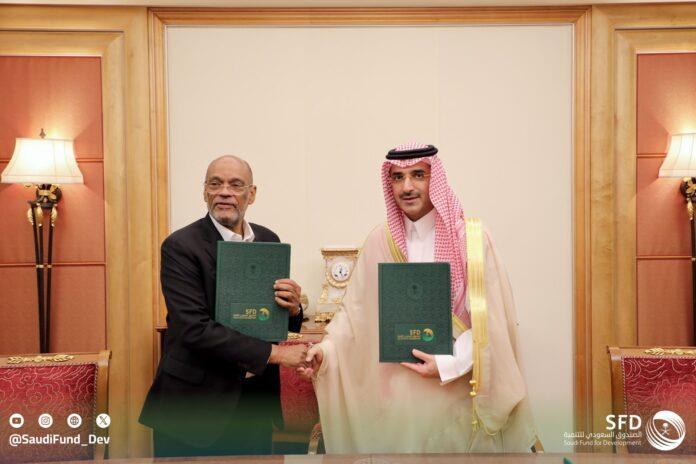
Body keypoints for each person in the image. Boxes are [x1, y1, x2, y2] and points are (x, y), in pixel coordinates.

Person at [299, 143, 537, 453]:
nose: (407, 187)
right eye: (398, 178)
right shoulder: (380, 240)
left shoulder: (472, 240)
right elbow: (353, 317)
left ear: (434, 178)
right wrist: (325, 352)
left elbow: (491, 322)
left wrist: (448, 365)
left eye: (418, 175)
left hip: (456, 390)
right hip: (397, 401)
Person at [139, 155, 308, 457]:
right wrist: (276, 354)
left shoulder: (268, 240)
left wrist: (293, 310)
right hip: (194, 410)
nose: (224, 192)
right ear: (205, 192)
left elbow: (271, 320)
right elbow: (194, 329)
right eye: (215, 184)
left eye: (235, 185)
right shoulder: (180, 246)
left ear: (251, 194)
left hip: (254, 403)